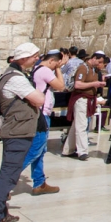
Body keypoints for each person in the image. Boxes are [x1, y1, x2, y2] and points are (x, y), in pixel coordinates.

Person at [0, 42, 45, 222]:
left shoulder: (11, 74)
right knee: (7, 178)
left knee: (8, 174)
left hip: (17, 131)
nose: (37, 59)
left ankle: (1, 213)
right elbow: (39, 99)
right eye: (34, 56)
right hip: (17, 132)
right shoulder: (15, 78)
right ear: (24, 58)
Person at [21, 49, 64, 195]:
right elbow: (61, 86)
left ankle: (39, 182)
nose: (56, 67)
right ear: (52, 61)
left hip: (41, 113)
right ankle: (5, 178)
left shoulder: (37, 68)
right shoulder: (45, 70)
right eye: (56, 64)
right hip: (42, 114)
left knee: (40, 150)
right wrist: (58, 69)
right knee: (36, 149)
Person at [63, 52, 106, 161]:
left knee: (76, 125)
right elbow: (78, 84)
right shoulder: (83, 68)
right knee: (82, 126)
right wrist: (94, 84)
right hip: (81, 99)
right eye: (99, 61)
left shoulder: (94, 70)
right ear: (94, 58)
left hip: (89, 100)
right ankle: (82, 151)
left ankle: (68, 150)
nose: (100, 64)